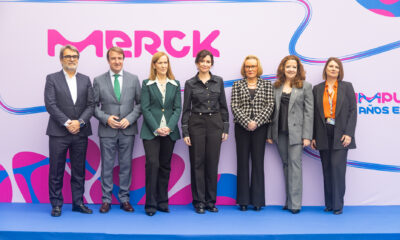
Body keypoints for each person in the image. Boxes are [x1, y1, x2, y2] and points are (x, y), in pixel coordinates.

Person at [44, 44, 94, 217]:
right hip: (58, 133)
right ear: (61, 59)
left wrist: (79, 122)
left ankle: (78, 203)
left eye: (74, 56)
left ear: (78, 59)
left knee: (79, 170)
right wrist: (67, 122)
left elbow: (91, 105)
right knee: (56, 170)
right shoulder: (52, 79)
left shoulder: (85, 79)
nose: (72, 59)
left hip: (80, 133)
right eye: (68, 56)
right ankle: (56, 204)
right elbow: (50, 104)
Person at [93, 46, 141, 213]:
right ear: (108, 60)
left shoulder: (134, 79)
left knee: (126, 166)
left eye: (119, 58)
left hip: (128, 130)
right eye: (113, 58)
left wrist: (130, 119)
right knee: (106, 166)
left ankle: (124, 199)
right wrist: (106, 118)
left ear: (123, 59)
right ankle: (106, 200)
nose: (117, 61)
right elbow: (93, 106)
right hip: (107, 131)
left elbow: (141, 104)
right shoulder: (98, 80)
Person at [181, 49, 229, 214]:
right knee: (197, 163)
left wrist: (225, 127)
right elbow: (186, 109)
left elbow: (223, 106)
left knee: (212, 163)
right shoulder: (190, 83)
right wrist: (185, 132)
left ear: (211, 64)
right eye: (202, 61)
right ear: (197, 63)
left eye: (208, 61)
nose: (205, 64)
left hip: (215, 124)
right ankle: (199, 201)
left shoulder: (218, 81)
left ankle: (210, 201)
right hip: (196, 124)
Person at [266, 55, 313, 214]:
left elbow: (309, 112)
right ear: (283, 69)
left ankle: (295, 204)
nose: (291, 69)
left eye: (294, 67)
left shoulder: (305, 86)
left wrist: (307, 135)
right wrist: (269, 133)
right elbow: (270, 112)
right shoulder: (276, 86)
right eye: (288, 67)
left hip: (297, 133)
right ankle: (289, 201)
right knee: (286, 165)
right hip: (279, 132)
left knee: (295, 166)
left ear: (298, 69)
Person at [311, 57, 357, 215]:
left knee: (337, 169)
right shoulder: (317, 88)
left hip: (341, 133)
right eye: (330, 66)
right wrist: (313, 136)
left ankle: (338, 205)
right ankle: (329, 204)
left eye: (336, 67)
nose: (333, 69)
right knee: (327, 169)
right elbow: (314, 115)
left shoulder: (347, 87)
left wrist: (349, 134)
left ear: (340, 70)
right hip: (323, 132)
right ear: (325, 69)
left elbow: (352, 112)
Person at [140, 52, 181, 216]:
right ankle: (150, 204)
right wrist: (157, 128)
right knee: (152, 165)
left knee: (165, 167)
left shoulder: (175, 84)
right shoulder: (147, 84)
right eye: (160, 63)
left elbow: (177, 109)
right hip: (151, 132)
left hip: (169, 133)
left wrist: (169, 128)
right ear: (154, 65)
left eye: (166, 62)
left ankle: (163, 202)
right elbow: (145, 108)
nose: (164, 65)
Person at [231, 55, 274, 211]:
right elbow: (235, 106)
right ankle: (243, 201)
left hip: (260, 128)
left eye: (253, 66)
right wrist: (247, 122)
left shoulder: (267, 85)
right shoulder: (237, 85)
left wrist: (256, 122)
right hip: (241, 128)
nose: (250, 69)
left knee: (258, 163)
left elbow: (270, 106)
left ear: (258, 68)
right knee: (242, 163)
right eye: (248, 66)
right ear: (244, 68)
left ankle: (257, 200)